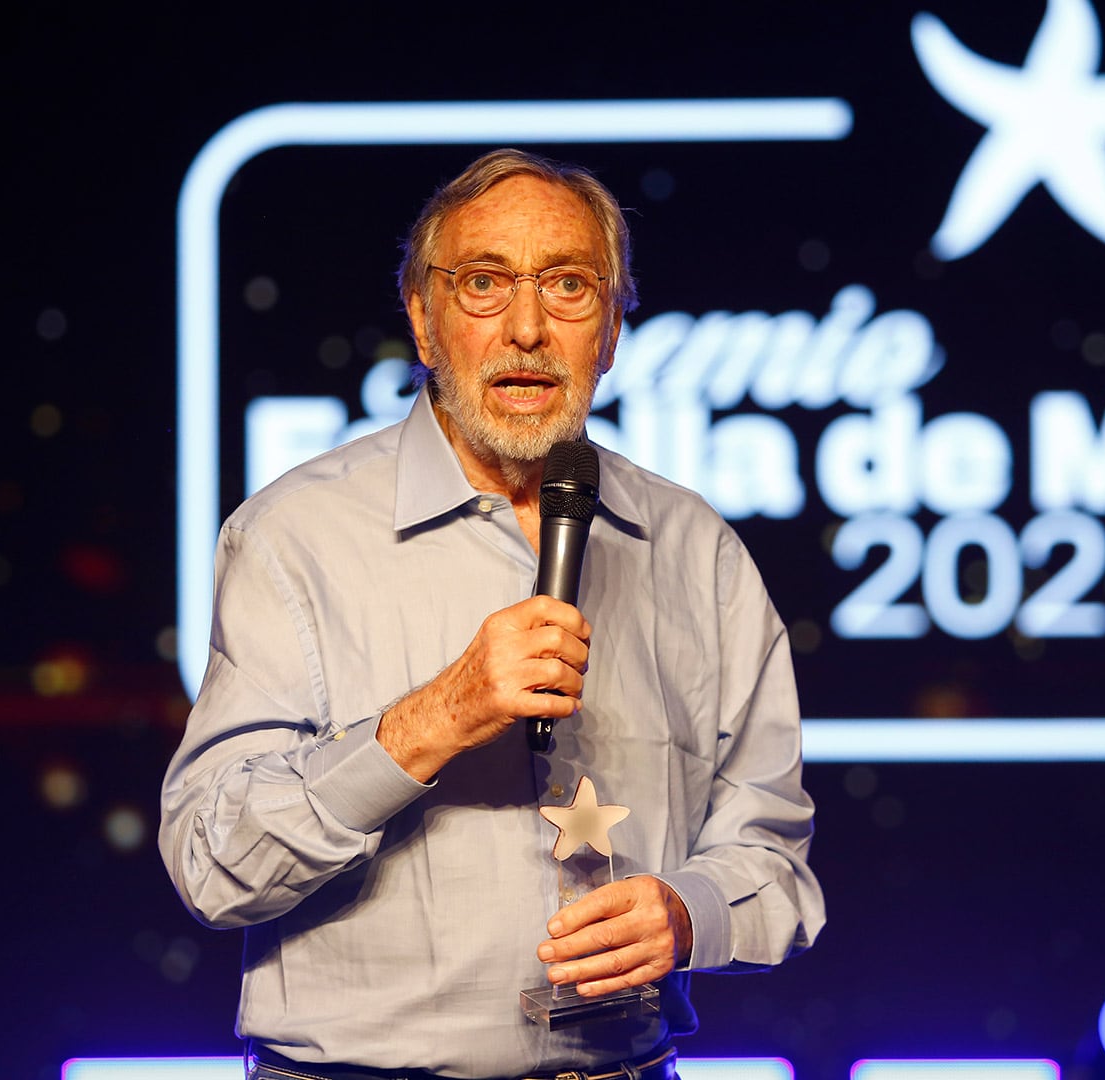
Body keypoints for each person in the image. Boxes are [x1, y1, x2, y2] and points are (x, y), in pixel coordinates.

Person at [159, 149, 823, 1080]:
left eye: (569, 286)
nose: (526, 328)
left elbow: (774, 854)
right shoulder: (292, 536)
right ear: (423, 322)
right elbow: (211, 861)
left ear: (613, 331)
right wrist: (438, 716)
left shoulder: (693, 548)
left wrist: (688, 912)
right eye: (483, 284)